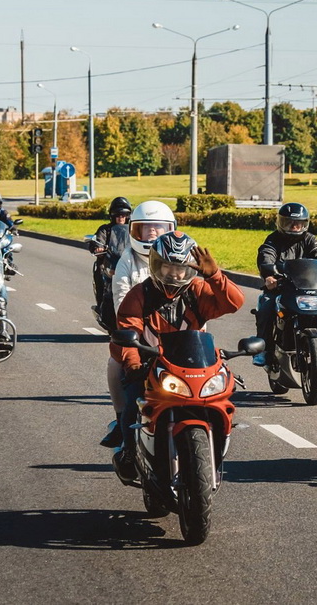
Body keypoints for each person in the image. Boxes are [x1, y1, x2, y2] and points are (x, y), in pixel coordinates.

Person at [112, 231, 244, 480]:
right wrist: (133, 365)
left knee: (220, 400)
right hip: (151, 366)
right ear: (155, 265)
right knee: (133, 405)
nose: (174, 274)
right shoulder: (139, 294)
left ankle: (212, 449)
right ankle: (130, 450)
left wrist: (215, 277)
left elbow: (234, 303)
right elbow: (127, 333)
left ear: (190, 269)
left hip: (196, 367)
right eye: (167, 267)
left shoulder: (198, 290)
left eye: (180, 268)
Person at [98, 200, 176, 449]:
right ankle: (122, 421)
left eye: (158, 228)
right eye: (147, 228)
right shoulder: (127, 261)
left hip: (177, 337)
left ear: (170, 229)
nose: (152, 233)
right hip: (140, 335)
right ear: (135, 231)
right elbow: (122, 303)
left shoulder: (181, 256)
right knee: (116, 363)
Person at [253, 202, 317, 366]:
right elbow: (266, 255)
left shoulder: (310, 239)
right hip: (282, 285)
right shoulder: (273, 239)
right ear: (281, 222)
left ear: (305, 224)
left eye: (299, 223)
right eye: (289, 222)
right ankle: (263, 349)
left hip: (307, 285)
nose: (294, 227)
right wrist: (268, 276)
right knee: (266, 306)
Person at [89, 196, 132, 301]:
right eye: (117, 215)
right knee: (99, 271)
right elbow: (98, 240)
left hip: (128, 262)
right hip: (109, 263)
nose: (120, 217)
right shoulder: (105, 229)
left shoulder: (133, 230)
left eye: (124, 215)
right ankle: (101, 302)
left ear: (128, 216)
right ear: (112, 216)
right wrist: (98, 247)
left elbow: (140, 241)